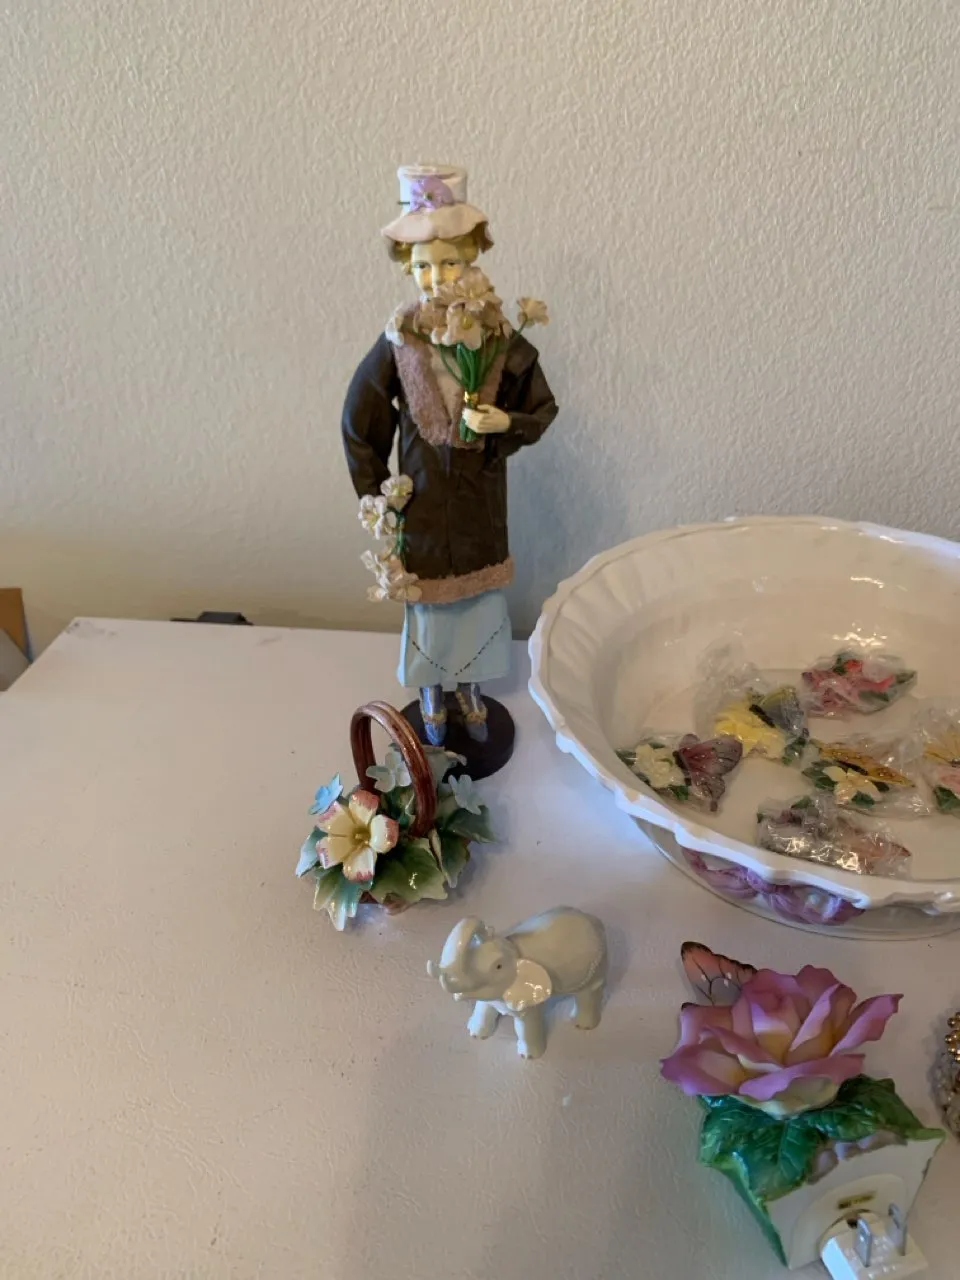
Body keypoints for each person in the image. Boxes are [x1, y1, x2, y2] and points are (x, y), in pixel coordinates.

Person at [341, 165, 558, 747]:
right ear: (408, 268)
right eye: (423, 266)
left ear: (472, 261)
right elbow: (360, 419)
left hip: (478, 498)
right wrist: (379, 497)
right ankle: (432, 690)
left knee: (479, 602)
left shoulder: (498, 336)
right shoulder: (400, 339)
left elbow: (541, 406)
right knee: (430, 606)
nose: (437, 277)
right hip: (424, 501)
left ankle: (472, 688)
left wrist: (504, 422)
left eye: (450, 263)